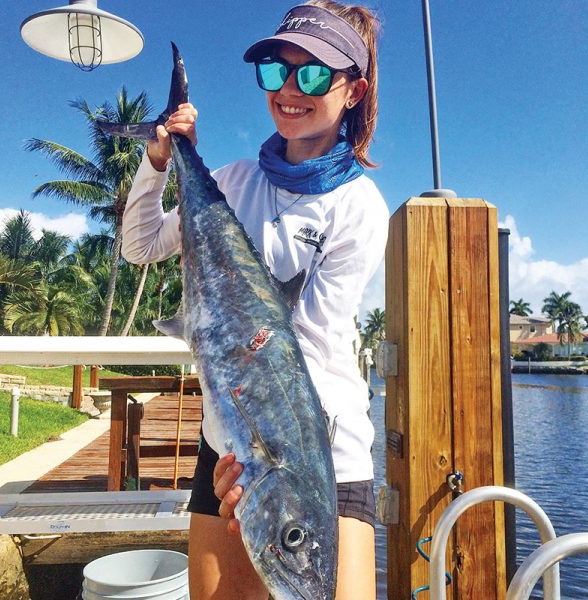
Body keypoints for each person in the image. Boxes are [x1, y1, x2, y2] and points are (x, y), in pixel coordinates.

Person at [121, 1, 389, 598]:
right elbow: (140, 246)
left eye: (314, 74)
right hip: (231, 447)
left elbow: (309, 352)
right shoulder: (235, 181)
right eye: (276, 71)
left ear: (354, 89)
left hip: (321, 458)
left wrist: (265, 464)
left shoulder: (358, 207)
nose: (291, 89)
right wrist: (160, 159)